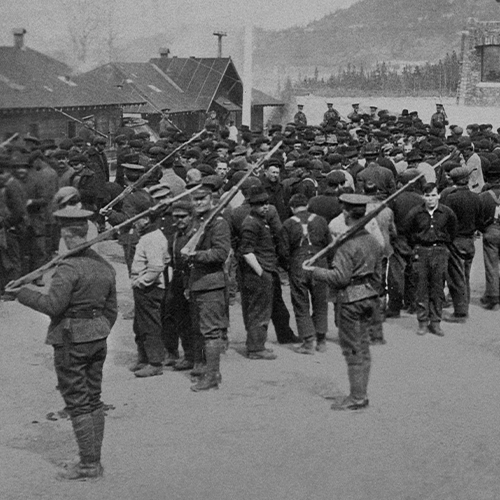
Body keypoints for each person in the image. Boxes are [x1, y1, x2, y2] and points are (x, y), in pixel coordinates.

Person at [5, 207, 117, 480]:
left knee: (77, 402)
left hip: (70, 340)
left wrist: (23, 293)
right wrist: (98, 329)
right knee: (93, 399)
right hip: (97, 337)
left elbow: (53, 305)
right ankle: (93, 459)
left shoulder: (68, 267)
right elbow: (111, 310)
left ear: (67, 234)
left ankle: (89, 465)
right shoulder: (105, 266)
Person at [303, 194, 382, 410]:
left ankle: (358, 397)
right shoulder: (372, 240)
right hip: (368, 296)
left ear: (346, 213)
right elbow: (377, 274)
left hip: (350, 299)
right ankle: (360, 393)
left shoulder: (346, 245)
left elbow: (340, 278)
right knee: (363, 347)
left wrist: (315, 271)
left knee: (353, 349)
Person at [181, 176, 231, 391]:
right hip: (196, 283)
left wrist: (195, 255)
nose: (198, 202)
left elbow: (221, 253)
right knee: (199, 330)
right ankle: (204, 368)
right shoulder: (196, 222)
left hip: (211, 284)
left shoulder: (218, 223)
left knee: (210, 332)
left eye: (202, 198)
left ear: (211, 198)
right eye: (195, 199)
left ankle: (212, 375)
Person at [402, 183, 457, 336]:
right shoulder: (415, 213)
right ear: (422, 197)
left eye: (433, 195)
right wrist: (416, 246)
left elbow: (453, 231)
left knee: (438, 288)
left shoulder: (447, 213)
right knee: (421, 288)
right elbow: (407, 231)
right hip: (421, 251)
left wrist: (443, 245)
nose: (430, 199)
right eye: (427, 195)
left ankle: (435, 322)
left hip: (440, 251)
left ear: (439, 195)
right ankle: (422, 322)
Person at [280, 194, 331, 354]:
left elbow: (283, 251)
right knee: (321, 302)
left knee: (301, 303)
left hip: (298, 264)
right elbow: (330, 245)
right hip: (319, 262)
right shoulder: (321, 221)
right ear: (307, 205)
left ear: (292, 208)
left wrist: (288, 266)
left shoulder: (288, 224)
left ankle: (308, 341)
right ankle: (321, 340)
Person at [130, 207, 170, 377]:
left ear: (146, 219)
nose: (134, 222)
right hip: (145, 288)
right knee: (140, 325)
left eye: (137, 218)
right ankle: (144, 359)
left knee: (150, 325)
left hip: (149, 289)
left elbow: (156, 266)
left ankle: (155, 362)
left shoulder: (151, 239)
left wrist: (142, 282)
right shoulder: (150, 237)